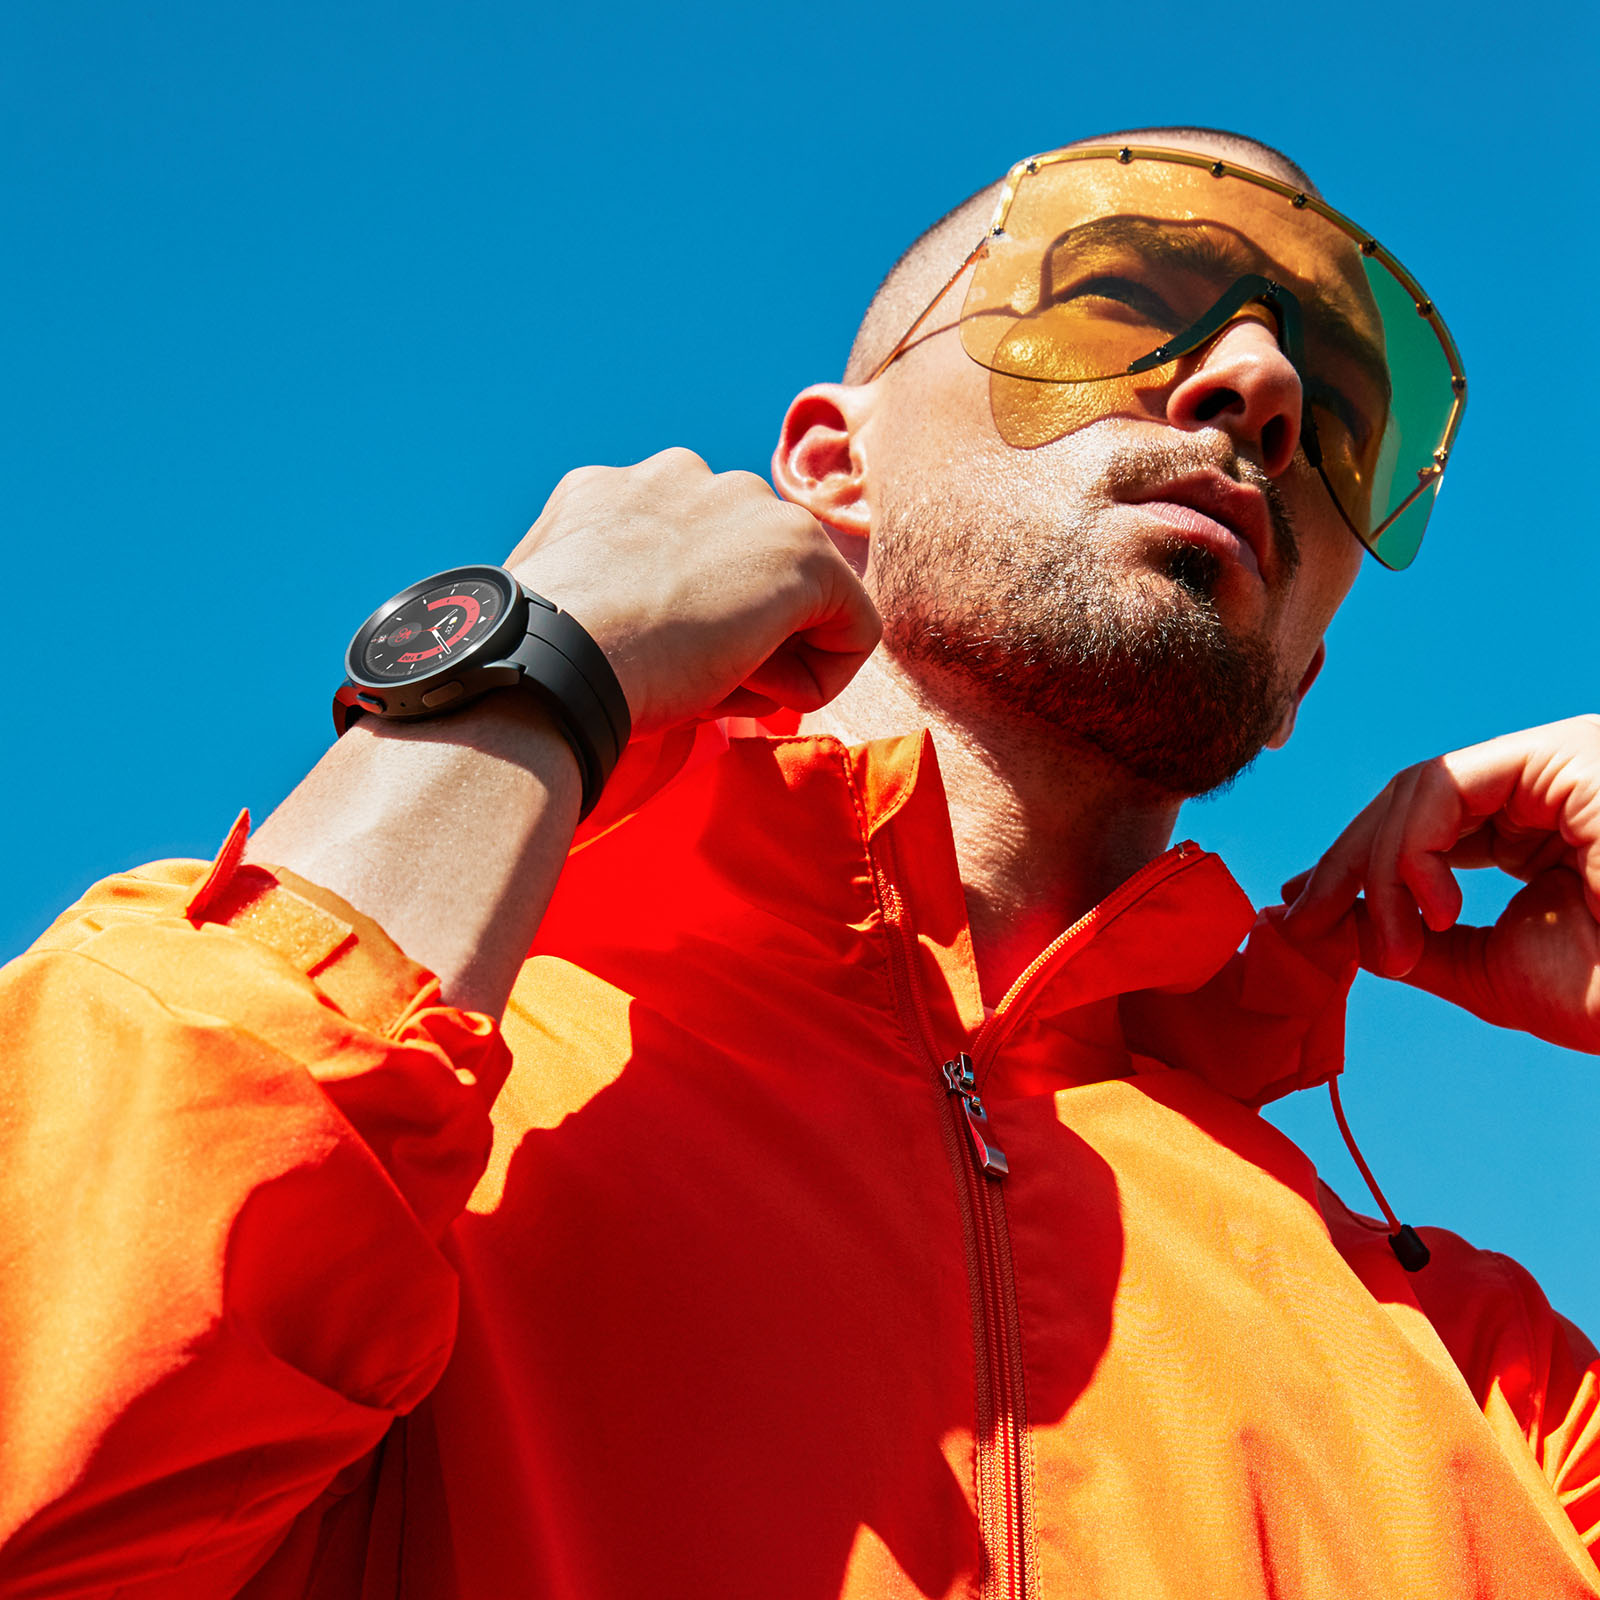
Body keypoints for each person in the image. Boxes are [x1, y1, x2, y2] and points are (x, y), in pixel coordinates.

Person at [2, 124, 1597, 1599]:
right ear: (836, 469)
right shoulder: (356, 1052)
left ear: (1307, 675)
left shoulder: (1489, 1376)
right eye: (1124, 297)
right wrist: (538, 674)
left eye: (1337, 425)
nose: (1258, 389)